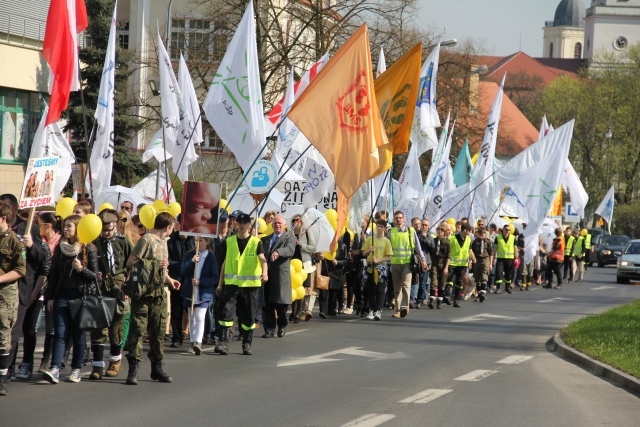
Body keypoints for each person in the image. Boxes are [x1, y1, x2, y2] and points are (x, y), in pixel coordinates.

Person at [124, 212, 181, 385]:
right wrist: (154, 264)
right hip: (143, 294)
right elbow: (131, 262)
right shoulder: (146, 240)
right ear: (168, 227)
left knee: (158, 332)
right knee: (137, 331)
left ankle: (157, 368)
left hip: (159, 293)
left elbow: (161, 270)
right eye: (172, 227)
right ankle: (133, 368)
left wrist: (170, 280)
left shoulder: (164, 242)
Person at [42, 215, 99, 384]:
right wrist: (50, 297)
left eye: (69, 226)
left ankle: (76, 369)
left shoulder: (89, 249)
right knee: (60, 333)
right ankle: (55, 368)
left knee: (78, 334)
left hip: (81, 298)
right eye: (64, 226)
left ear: (78, 228)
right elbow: (54, 275)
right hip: (62, 296)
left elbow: (95, 277)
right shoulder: (60, 248)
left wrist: (81, 269)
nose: (65, 229)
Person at [0, 194, 48, 382]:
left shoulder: (29, 228)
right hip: (3, 286)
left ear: (13, 209)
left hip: (21, 287)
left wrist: (31, 245)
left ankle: (8, 369)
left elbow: (41, 260)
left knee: (15, 331)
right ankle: (7, 367)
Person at [88, 209, 133, 380]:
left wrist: (128, 288)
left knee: (117, 327)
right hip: (100, 287)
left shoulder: (123, 242)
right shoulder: (93, 243)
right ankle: (97, 365)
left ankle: (115, 360)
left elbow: (133, 265)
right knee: (99, 327)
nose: (107, 233)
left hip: (119, 287)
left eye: (110, 230)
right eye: (104, 230)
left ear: (116, 226)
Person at [216, 212, 268, 355]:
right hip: (231, 284)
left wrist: (265, 272)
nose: (242, 225)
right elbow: (224, 265)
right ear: (235, 224)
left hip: (249, 286)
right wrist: (220, 284)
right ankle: (223, 343)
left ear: (250, 225)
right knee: (226, 314)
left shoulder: (256, 242)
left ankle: (246, 343)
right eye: (240, 222)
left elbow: (263, 259)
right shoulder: (229, 241)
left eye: (245, 222)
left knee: (248, 316)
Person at [0, 201, 26, 395]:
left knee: (3, 335)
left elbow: (20, 270)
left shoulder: (13, 241)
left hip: (5, 294)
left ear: (3, 218)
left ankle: (1, 378)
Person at [180, 237, 218, 355]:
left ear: (207, 242)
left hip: (203, 293)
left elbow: (214, 277)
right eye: (196, 241)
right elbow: (182, 271)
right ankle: (192, 342)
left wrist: (201, 282)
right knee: (191, 317)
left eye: (201, 241)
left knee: (200, 316)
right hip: (190, 292)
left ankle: (198, 342)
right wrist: (191, 262)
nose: (198, 243)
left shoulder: (210, 257)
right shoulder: (189, 255)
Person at [260, 215, 296, 337]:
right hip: (267, 275)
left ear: (285, 225)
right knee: (267, 304)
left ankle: (282, 325)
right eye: (275, 223)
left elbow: (290, 250)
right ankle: (269, 329)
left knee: (280, 305)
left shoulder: (289, 237)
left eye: (280, 223)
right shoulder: (265, 239)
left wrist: (278, 252)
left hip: (280, 275)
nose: (277, 225)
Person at [389, 211, 426, 318]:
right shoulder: (391, 231)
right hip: (395, 263)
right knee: (397, 289)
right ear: (394, 220)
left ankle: (404, 308)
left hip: (407, 263)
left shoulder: (411, 231)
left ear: (404, 219)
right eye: (396, 218)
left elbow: (418, 247)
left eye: (400, 218)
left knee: (406, 285)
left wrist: (423, 260)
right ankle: (397, 310)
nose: (398, 220)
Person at [167, 216, 195, 348]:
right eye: (181, 223)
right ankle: (177, 337)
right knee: (176, 310)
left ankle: (195, 337)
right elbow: (168, 262)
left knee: (192, 309)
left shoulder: (194, 239)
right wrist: (184, 265)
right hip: (177, 280)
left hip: (191, 280)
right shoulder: (171, 241)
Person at [360, 219, 392, 320]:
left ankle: (378, 310)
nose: (379, 228)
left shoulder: (386, 241)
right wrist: (369, 250)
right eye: (378, 226)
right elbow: (363, 253)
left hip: (380, 268)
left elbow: (388, 256)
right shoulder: (370, 239)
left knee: (380, 290)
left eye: (381, 227)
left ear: (385, 229)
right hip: (370, 268)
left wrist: (378, 260)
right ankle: (371, 310)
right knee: (370, 290)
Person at [291, 215, 317, 322]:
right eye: (294, 220)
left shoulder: (307, 232)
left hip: (304, 265)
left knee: (300, 289)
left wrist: (302, 245)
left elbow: (313, 248)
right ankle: (293, 310)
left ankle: (298, 312)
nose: (296, 222)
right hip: (292, 264)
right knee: (292, 288)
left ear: (301, 222)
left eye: (298, 220)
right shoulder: (289, 233)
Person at [447, 222, 476, 308]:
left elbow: (469, 250)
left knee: (459, 281)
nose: (470, 232)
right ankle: (447, 295)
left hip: (462, 264)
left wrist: (473, 258)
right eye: (469, 230)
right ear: (464, 230)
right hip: (452, 262)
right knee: (450, 279)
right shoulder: (452, 238)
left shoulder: (468, 240)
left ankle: (456, 299)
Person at [425, 225, 450, 309]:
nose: (439, 232)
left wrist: (446, 267)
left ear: (444, 232)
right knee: (434, 281)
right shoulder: (433, 240)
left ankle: (439, 301)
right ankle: (432, 300)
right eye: (438, 230)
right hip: (434, 262)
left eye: (442, 230)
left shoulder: (447, 242)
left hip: (442, 262)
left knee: (442, 282)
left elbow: (448, 256)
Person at [493, 225, 518, 294]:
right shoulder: (498, 238)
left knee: (508, 273)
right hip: (500, 258)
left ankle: (507, 287)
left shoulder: (513, 238)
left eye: (509, 230)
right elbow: (495, 249)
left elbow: (515, 248)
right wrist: (494, 258)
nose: (508, 231)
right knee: (499, 272)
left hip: (510, 259)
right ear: (503, 230)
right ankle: (498, 288)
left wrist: (516, 258)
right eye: (506, 229)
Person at [471, 226, 493, 302]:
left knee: (484, 275)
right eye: (480, 233)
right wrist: (471, 261)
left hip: (485, 259)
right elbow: (472, 252)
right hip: (477, 259)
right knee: (477, 277)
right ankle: (479, 293)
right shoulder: (475, 242)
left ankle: (483, 292)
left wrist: (490, 264)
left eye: (483, 233)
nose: (482, 235)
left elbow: (491, 253)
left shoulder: (488, 242)